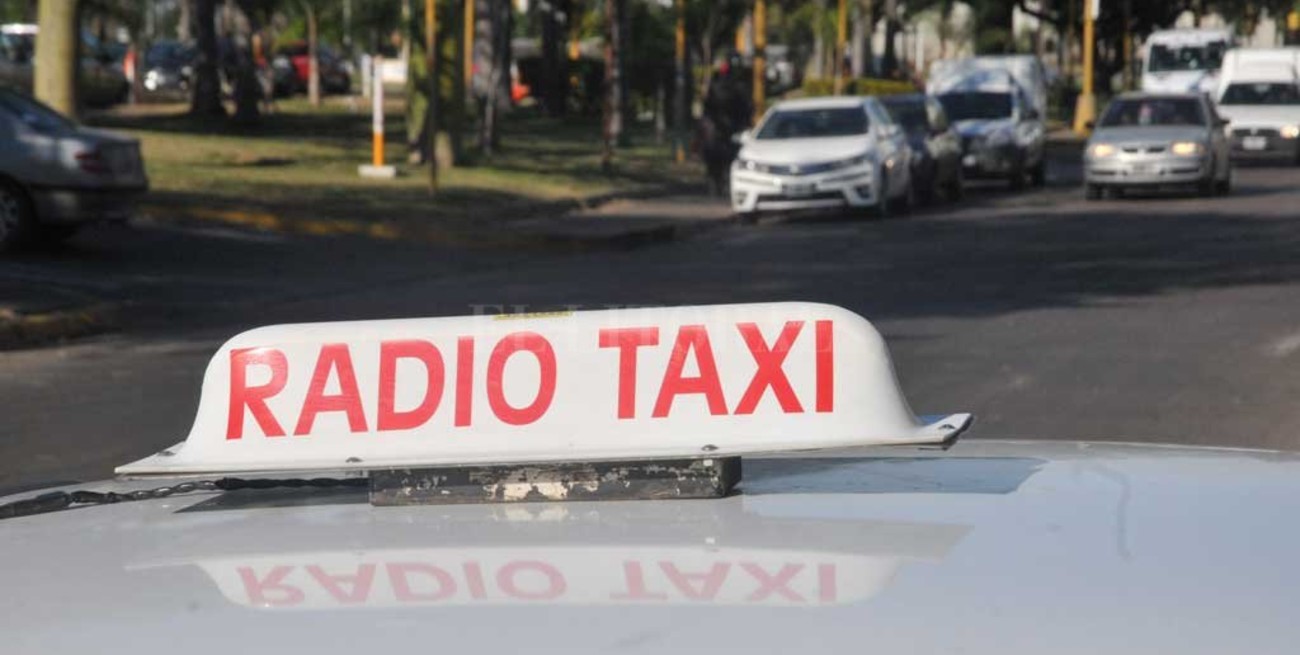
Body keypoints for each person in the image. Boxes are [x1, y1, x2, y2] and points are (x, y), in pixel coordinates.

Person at [699, 54, 753, 195]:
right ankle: (717, 181)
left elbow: (745, 107)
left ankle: (721, 181)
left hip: (731, 125)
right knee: (714, 152)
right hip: (721, 124)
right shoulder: (722, 83)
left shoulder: (739, 83)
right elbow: (708, 105)